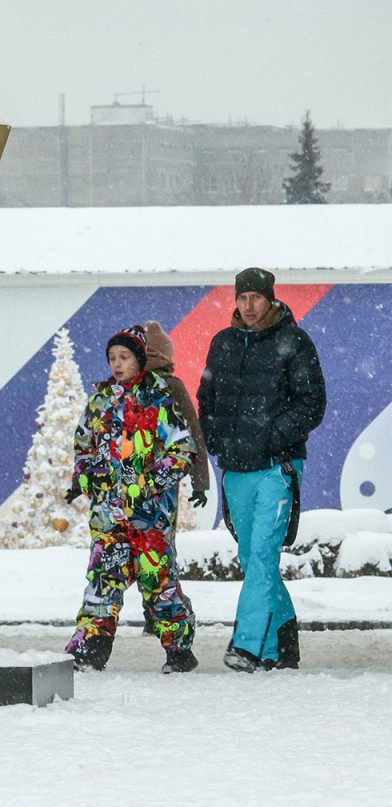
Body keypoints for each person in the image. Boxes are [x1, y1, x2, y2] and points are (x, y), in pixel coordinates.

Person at [197, 267, 325, 672]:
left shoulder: (294, 341)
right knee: (253, 560)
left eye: (256, 297)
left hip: (277, 467)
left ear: (270, 298)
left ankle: (248, 646)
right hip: (235, 468)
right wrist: (215, 439)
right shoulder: (223, 343)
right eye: (242, 298)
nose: (248, 306)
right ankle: (281, 644)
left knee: (264, 556)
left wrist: (271, 437)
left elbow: (312, 403)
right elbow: (206, 398)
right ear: (234, 300)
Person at [64, 325, 198, 674]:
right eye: (112, 358)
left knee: (158, 581)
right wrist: (87, 474)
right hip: (109, 514)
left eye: (124, 357)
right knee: (104, 576)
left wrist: (149, 482)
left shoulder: (160, 399)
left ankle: (178, 646)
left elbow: (183, 451)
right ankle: (90, 647)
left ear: (140, 360)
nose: (117, 364)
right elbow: (84, 446)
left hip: (149, 514)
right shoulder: (99, 402)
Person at [138, 321, 211, 634]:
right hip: (165, 482)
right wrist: (200, 480)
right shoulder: (172, 384)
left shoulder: (129, 384)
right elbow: (194, 433)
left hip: (130, 482)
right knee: (162, 547)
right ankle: (165, 612)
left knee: (137, 546)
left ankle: (154, 610)